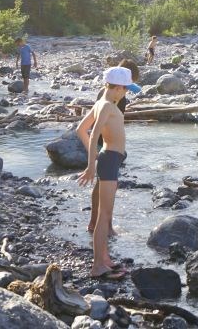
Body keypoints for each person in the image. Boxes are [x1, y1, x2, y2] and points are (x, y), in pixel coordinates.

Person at [77, 66, 139, 280]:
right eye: (126, 89)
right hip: (109, 159)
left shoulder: (102, 104)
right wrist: (91, 164)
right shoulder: (106, 106)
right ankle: (97, 267)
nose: (126, 93)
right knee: (104, 216)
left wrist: (96, 157)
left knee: (105, 214)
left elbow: (80, 130)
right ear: (119, 87)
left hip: (109, 158)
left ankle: (104, 258)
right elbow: (93, 134)